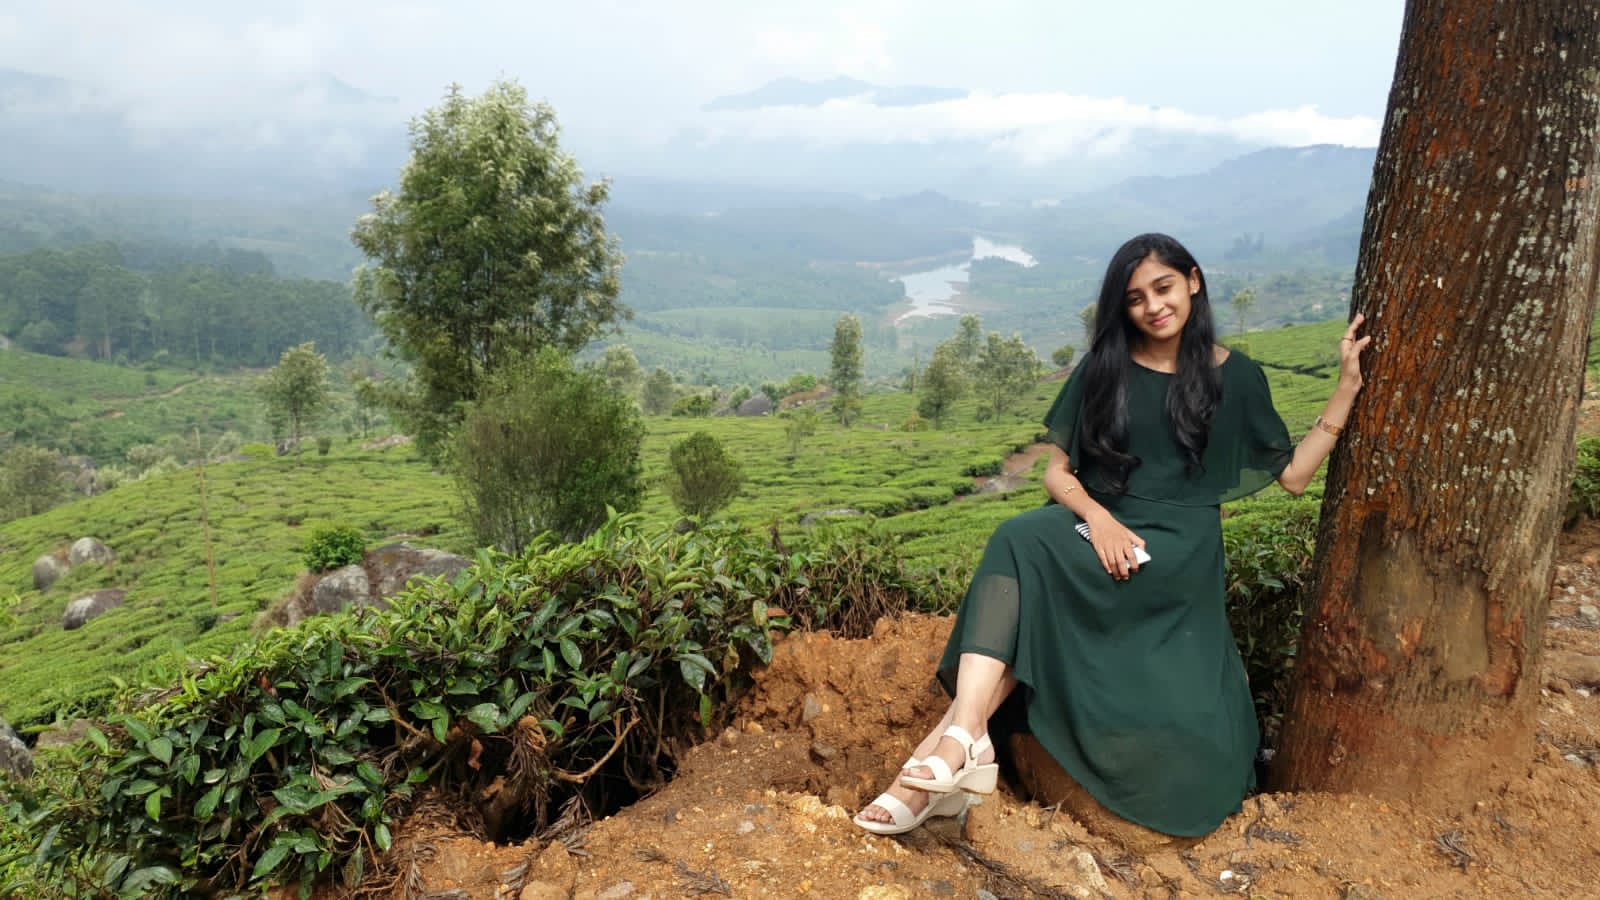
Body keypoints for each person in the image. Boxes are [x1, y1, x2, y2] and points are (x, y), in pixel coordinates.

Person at [855, 232, 1370, 836]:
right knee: (1021, 538)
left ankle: (945, 760)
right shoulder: (1106, 368)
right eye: (1135, 298)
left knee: (1027, 581)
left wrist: (1346, 386)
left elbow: (1293, 477)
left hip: (1177, 554)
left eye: (1163, 287)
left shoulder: (1239, 377)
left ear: (1193, 281)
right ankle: (963, 740)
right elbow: (1057, 473)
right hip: (1099, 526)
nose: (1153, 306)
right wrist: (1098, 519)